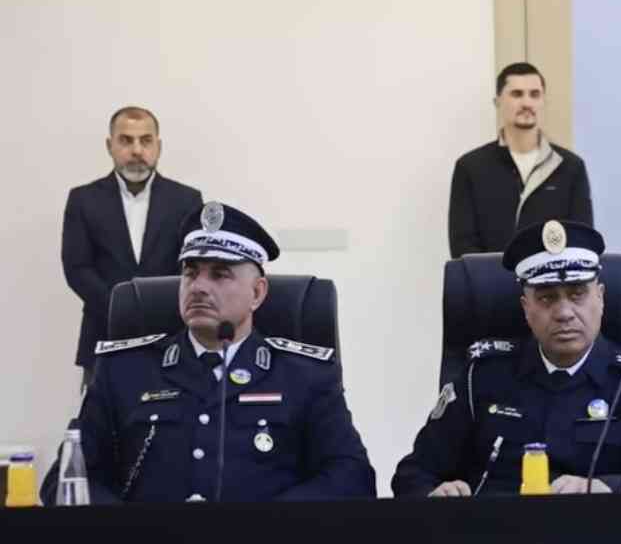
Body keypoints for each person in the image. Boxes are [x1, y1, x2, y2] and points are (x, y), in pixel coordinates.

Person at [43, 201, 376, 503]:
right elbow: (64, 481)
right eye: (190, 273)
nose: (199, 287)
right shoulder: (124, 371)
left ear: (257, 293)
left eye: (220, 274)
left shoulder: (305, 375)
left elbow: (352, 476)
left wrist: (269, 525)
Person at [394, 219, 621, 496]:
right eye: (547, 298)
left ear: (600, 297)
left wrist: (604, 487)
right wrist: (436, 493)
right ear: (525, 307)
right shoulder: (482, 375)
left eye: (577, 294)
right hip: (494, 528)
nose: (564, 313)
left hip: (595, 528)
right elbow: (413, 474)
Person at [62, 106, 203, 385]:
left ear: (158, 146)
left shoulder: (187, 200)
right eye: (126, 140)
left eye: (145, 140)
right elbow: (77, 269)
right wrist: (121, 308)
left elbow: (192, 266)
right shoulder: (83, 200)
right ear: (109, 146)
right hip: (103, 336)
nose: (137, 150)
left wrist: (158, 309)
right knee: (101, 414)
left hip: (171, 338)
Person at [447, 62, 593, 257]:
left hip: (552, 277)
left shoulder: (570, 167)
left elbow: (582, 243)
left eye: (535, 94)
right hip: (488, 276)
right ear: (498, 102)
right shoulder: (470, 168)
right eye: (517, 94)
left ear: (543, 101)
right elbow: (463, 247)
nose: (527, 103)